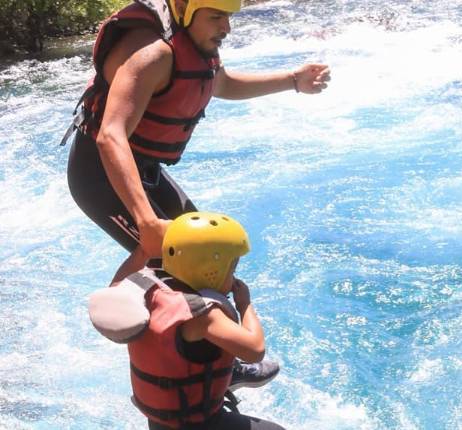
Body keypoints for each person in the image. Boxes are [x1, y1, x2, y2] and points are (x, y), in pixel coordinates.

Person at [65, 0, 329, 389]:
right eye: (216, 17)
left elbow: (221, 83)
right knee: (178, 262)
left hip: (145, 169)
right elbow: (110, 135)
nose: (226, 28)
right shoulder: (152, 54)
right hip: (100, 176)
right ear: (185, 10)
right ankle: (172, 369)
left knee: (211, 252)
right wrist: (146, 222)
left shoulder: (194, 45)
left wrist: (292, 80)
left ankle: (217, 360)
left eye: (229, 17)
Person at [89, 212, 285, 429]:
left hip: (159, 422)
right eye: (232, 270)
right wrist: (244, 304)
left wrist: (144, 249)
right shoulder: (202, 314)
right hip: (198, 424)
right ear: (211, 273)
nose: (234, 279)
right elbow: (254, 351)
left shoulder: (146, 290)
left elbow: (115, 286)